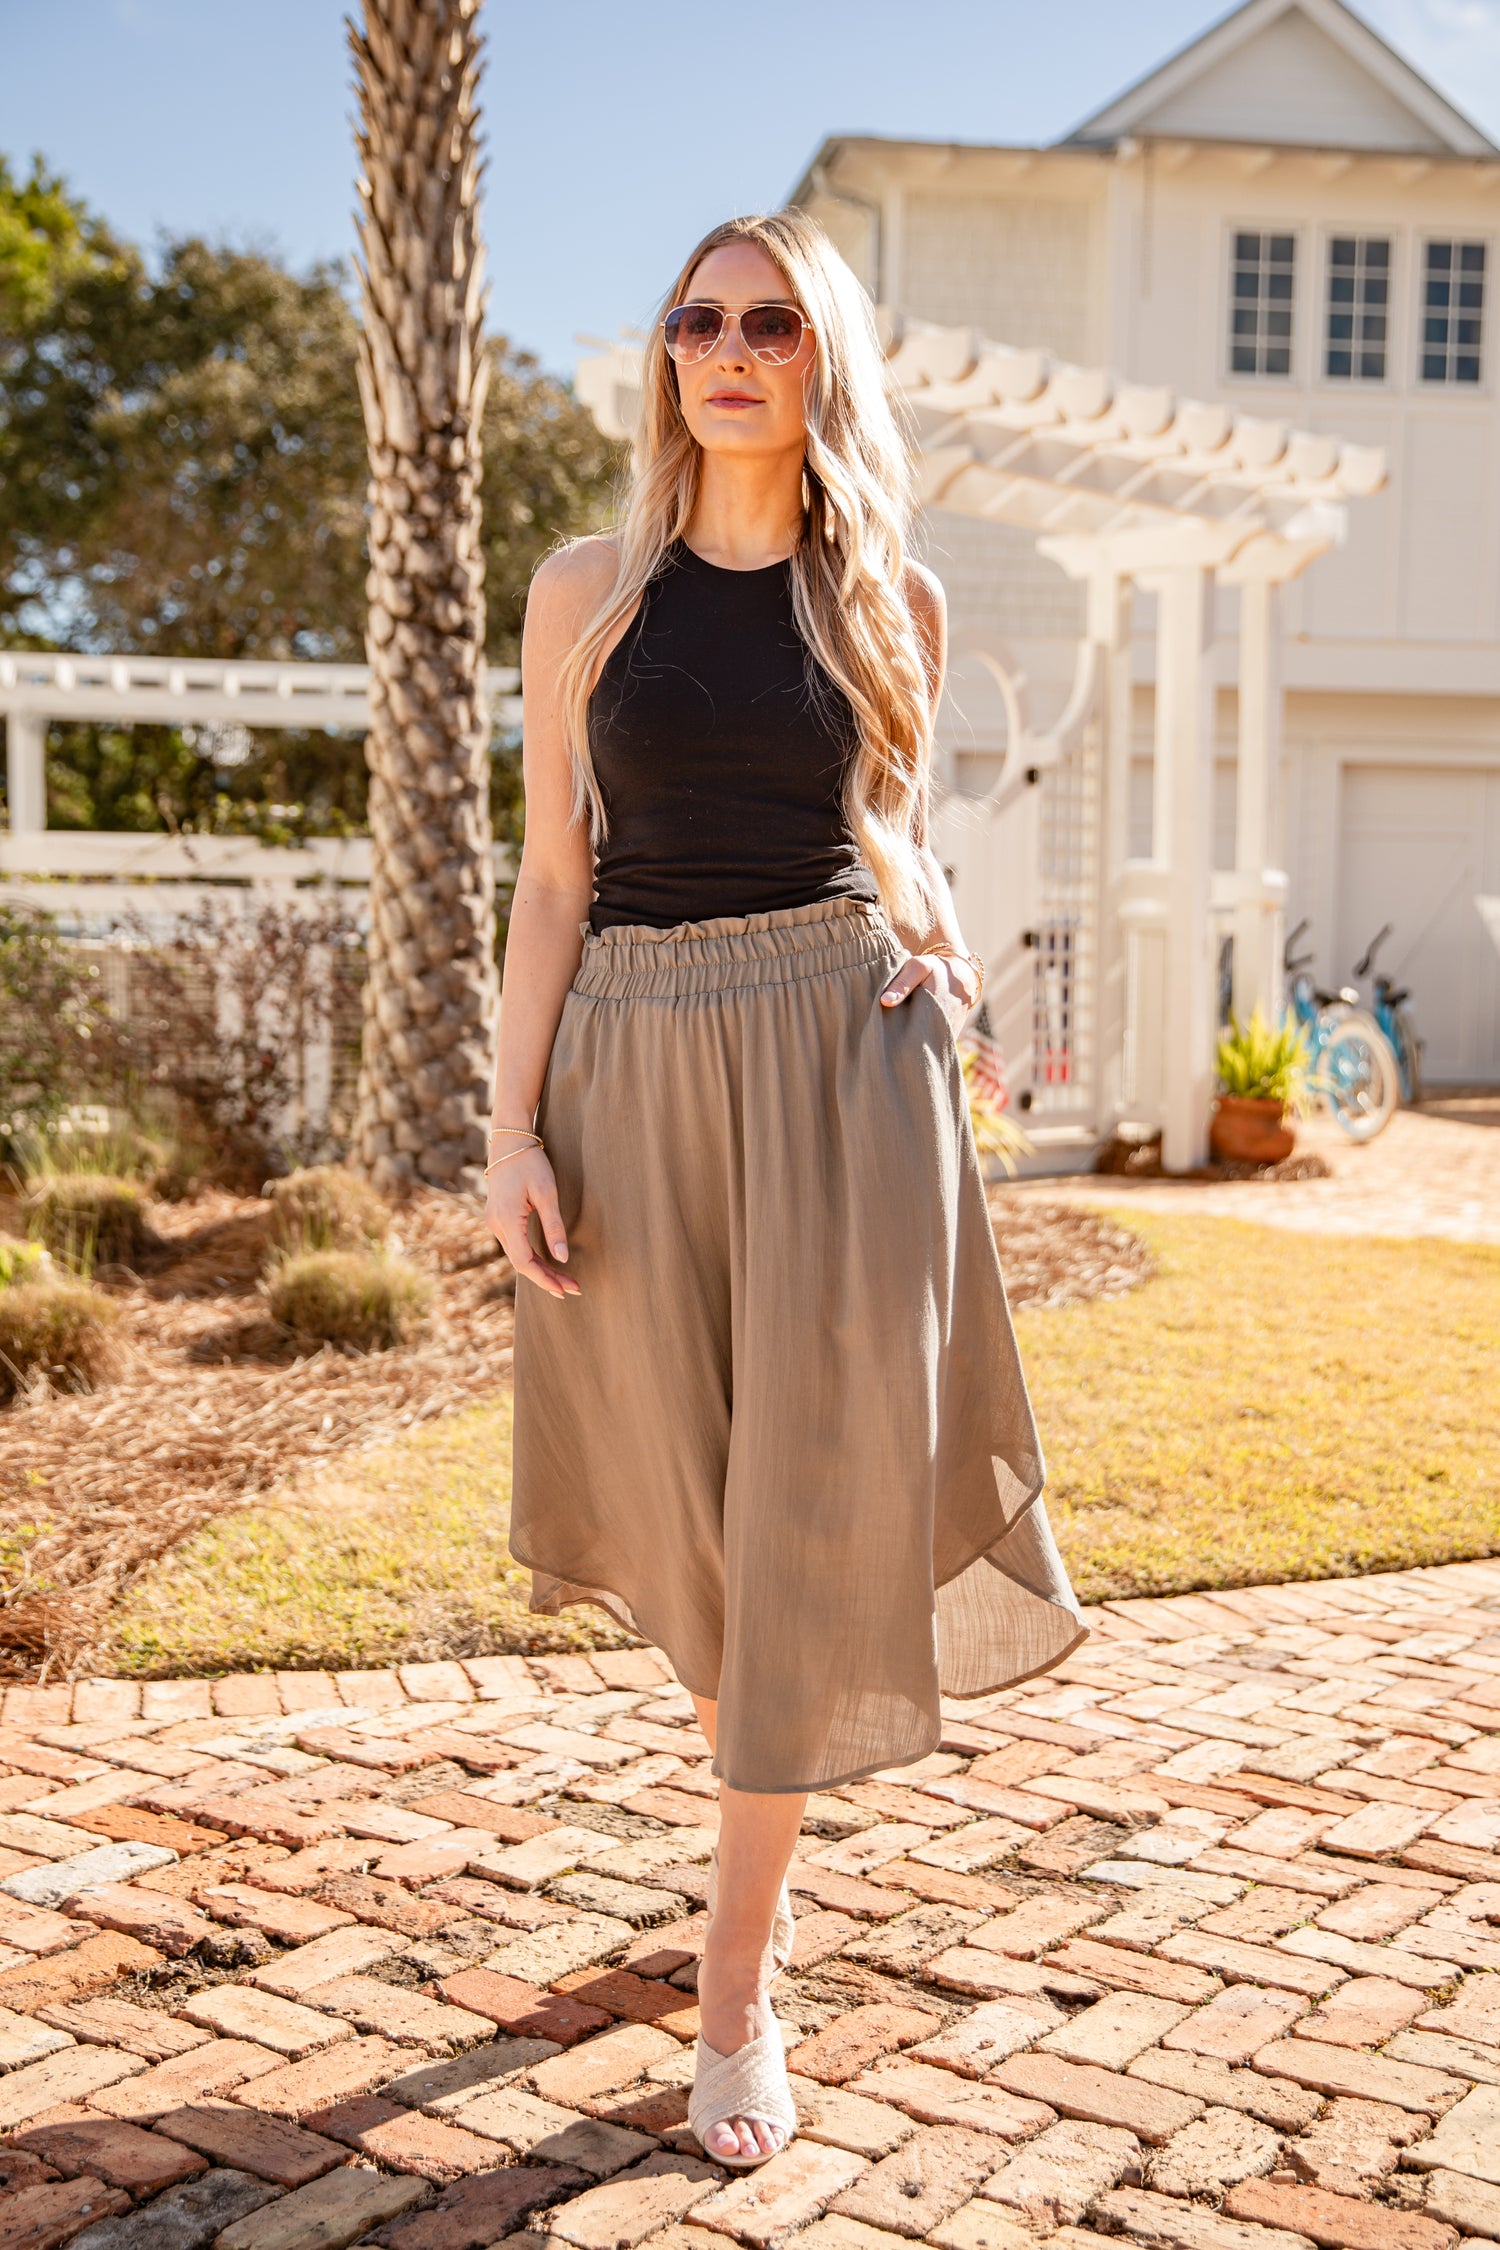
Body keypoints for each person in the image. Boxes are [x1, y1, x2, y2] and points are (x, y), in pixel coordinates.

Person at [485, 210, 1085, 2172]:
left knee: (811, 1523)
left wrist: (949, 949)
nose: (730, 349)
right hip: (640, 1068)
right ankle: (766, 1858)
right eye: (698, 320)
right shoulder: (586, 592)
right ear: (669, 357)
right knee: (700, 1523)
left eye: (770, 324)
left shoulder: (883, 597)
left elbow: (892, 845)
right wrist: (510, 1133)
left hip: (847, 1064)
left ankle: (735, 1987)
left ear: (819, 360)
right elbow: (555, 879)